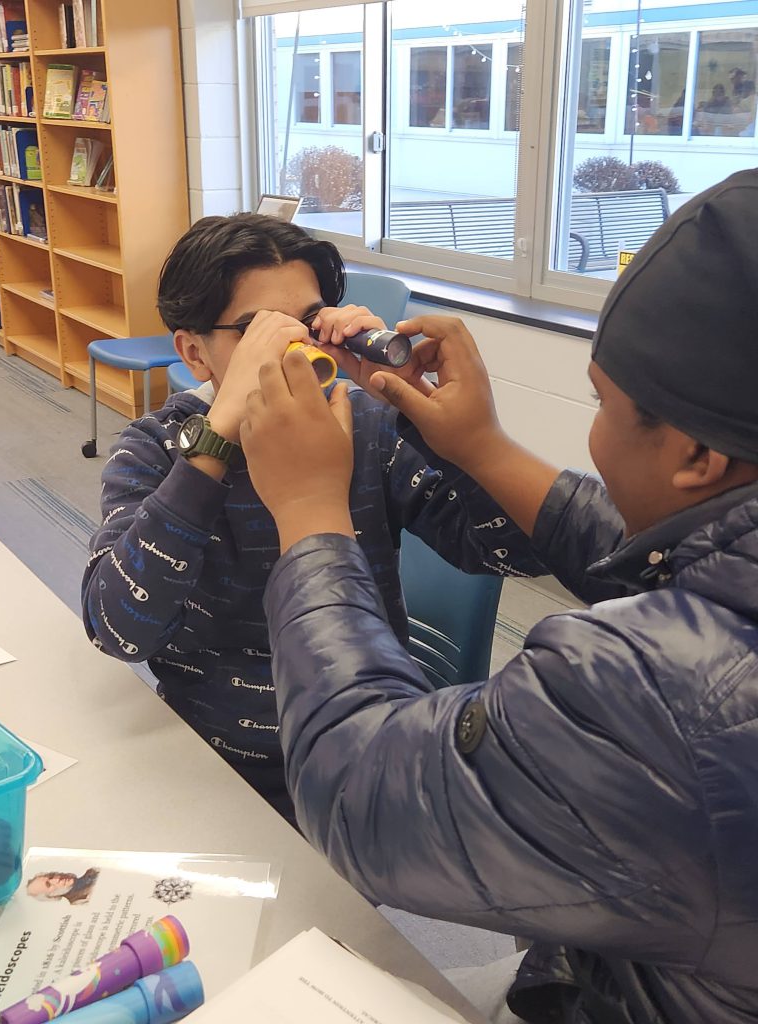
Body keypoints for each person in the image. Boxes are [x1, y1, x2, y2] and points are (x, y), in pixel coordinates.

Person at [240, 168, 758, 1023]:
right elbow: (693, 559)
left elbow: (363, 795)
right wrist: (484, 447)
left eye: (600, 403)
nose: (591, 427)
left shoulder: (657, 696)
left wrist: (306, 509)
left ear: (698, 456)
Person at [82, 212, 540, 823]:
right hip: (212, 764)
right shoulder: (158, 451)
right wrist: (215, 445)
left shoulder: (366, 428)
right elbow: (116, 628)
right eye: (259, 332)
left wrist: (421, 412)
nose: (293, 348)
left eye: (307, 322)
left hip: (359, 758)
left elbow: (517, 548)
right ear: (194, 352)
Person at [27, 869, 100, 905]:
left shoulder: (91, 872)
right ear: (52, 896)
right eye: (49, 884)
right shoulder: (80, 900)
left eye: (50, 876)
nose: (56, 879)